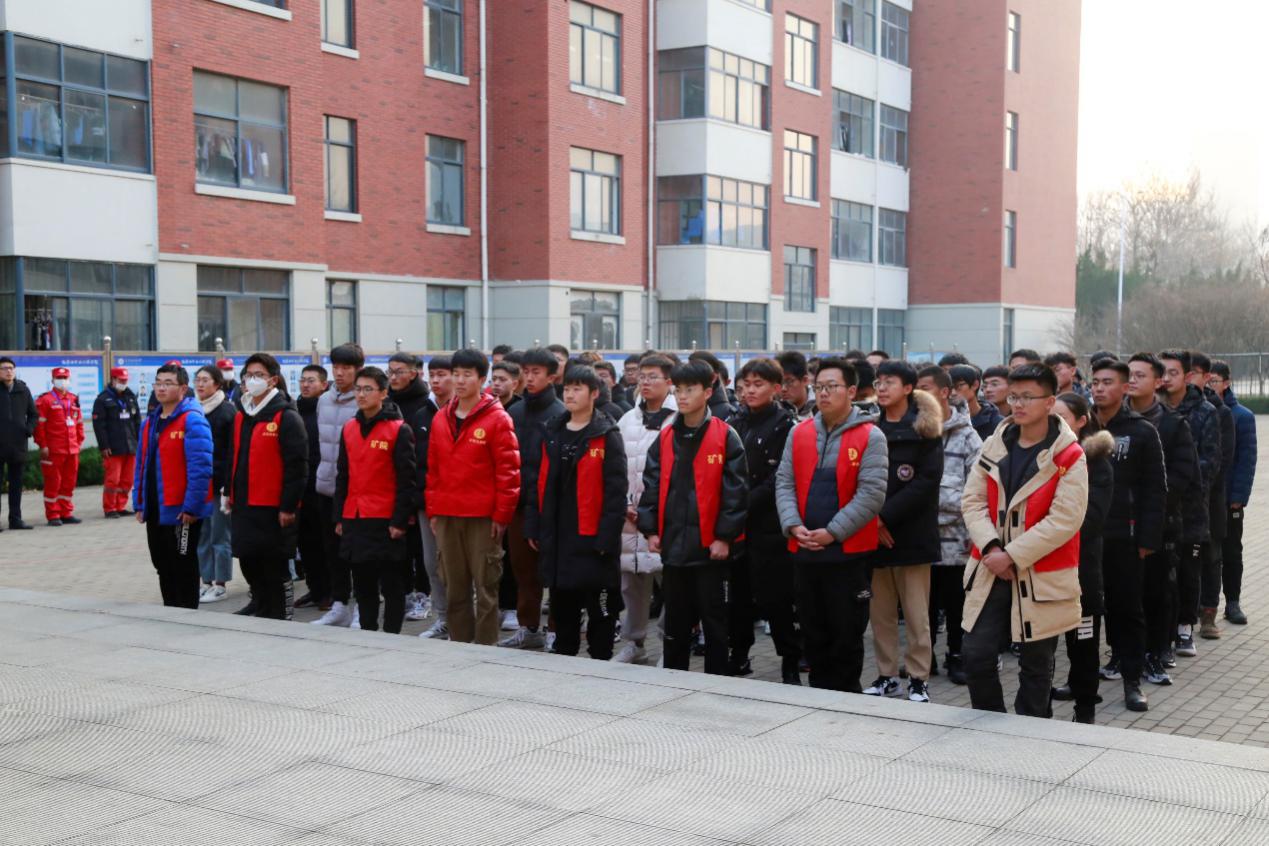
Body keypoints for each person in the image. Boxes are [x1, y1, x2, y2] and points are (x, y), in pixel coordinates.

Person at [960, 363, 1087, 718]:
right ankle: (990, 722)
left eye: (1027, 397)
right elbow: (972, 500)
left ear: (1049, 402)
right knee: (976, 653)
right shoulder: (994, 444)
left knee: (1036, 664)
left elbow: (1065, 519)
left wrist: (1013, 555)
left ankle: (1031, 731)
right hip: (990, 567)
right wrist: (992, 548)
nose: (1018, 404)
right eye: (1014, 396)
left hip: (1041, 573)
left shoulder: (1069, 454)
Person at [776, 357, 888, 692]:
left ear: (851, 391)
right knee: (813, 633)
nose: (823, 393)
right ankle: (818, 697)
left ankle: (847, 700)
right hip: (805, 550)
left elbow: (871, 494)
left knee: (846, 634)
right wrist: (792, 524)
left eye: (831, 386)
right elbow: (784, 482)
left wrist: (832, 532)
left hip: (847, 554)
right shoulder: (799, 432)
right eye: (819, 387)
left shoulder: (871, 436)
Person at [637, 360, 747, 675]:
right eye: (679, 390)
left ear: (708, 392)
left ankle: (716, 681)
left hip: (711, 548)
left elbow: (736, 493)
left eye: (690, 389)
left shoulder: (725, 436)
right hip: (673, 546)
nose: (682, 396)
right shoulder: (666, 436)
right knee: (676, 623)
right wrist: (650, 530)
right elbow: (651, 486)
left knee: (715, 622)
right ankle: (675, 679)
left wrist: (724, 537)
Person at [526, 365, 628, 659]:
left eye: (577, 389)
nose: (569, 395)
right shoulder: (552, 431)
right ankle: (565, 665)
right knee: (564, 612)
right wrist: (534, 526)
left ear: (594, 394)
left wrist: (606, 538)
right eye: (567, 389)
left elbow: (616, 493)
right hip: (559, 537)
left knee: (601, 613)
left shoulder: (606, 434)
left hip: (594, 539)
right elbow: (536, 482)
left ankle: (601, 665)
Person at [427, 348, 521, 645]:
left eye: (467, 375)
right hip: (447, 513)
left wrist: (501, 516)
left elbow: (509, 473)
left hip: (482, 516)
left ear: (482, 379)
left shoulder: (497, 418)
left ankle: (485, 650)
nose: (459, 380)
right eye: (456, 374)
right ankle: (460, 646)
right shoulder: (441, 418)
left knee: (486, 589)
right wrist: (433, 511)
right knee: (454, 588)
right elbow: (433, 470)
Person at [864, 360, 943, 703]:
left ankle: (918, 678)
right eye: (878, 382)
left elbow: (926, 482)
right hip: (873, 535)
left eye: (889, 382)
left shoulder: (926, 429)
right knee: (880, 613)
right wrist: (872, 521)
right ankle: (886, 675)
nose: (881, 388)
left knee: (915, 614)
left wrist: (884, 518)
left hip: (911, 534)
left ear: (908, 388)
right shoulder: (868, 427)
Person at [1090, 359, 1165, 712]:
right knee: (1084, 611)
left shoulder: (1142, 431)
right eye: (1095, 382)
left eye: (1108, 382)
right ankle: (1081, 679)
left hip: (1126, 536)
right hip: (1084, 536)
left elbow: (1155, 490)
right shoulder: (1079, 425)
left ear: (1124, 387)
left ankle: (1132, 681)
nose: (1099, 388)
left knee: (1127, 610)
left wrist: (1148, 539)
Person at [1126, 352, 1197, 685]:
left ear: (1157, 382)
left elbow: (1183, 475)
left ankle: (1156, 653)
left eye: (1140, 375)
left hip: (1160, 522)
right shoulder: (1114, 420)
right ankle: (1123, 655)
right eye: (1129, 374)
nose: (1133, 380)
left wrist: (1151, 505)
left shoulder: (1173, 424)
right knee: (1122, 595)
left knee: (1157, 592)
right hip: (1118, 524)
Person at [335, 366, 417, 634]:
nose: (361, 394)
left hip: (386, 519)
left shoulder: (398, 429)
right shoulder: (349, 428)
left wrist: (399, 521)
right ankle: (368, 631)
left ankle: (392, 635)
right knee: (363, 583)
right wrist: (339, 516)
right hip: (355, 516)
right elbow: (342, 475)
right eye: (358, 389)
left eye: (368, 389)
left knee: (392, 583)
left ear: (383, 393)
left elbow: (407, 481)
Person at [731, 358, 799, 680]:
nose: (750, 391)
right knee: (738, 598)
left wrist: (744, 501)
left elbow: (780, 477)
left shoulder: (786, 425)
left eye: (758, 384)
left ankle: (790, 661)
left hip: (770, 525)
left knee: (777, 599)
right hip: (737, 524)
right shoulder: (735, 421)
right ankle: (739, 655)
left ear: (776, 388)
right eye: (746, 385)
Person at [226, 354, 308, 620]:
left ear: (272, 380)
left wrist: (288, 506)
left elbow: (297, 466)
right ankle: (262, 612)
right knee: (249, 561)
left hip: (273, 508)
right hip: (244, 504)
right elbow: (234, 457)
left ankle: (281, 617)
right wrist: (229, 492)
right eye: (248, 375)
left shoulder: (286, 416)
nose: (252, 380)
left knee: (274, 567)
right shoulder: (242, 414)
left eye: (259, 375)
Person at [1050, 392, 1115, 723]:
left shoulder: (1097, 464)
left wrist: (1047, 533)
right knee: (1043, 644)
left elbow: (1092, 520)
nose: (1054, 423)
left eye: (1061, 417)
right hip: (1044, 569)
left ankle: (1085, 707)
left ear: (1080, 421)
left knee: (1084, 640)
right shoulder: (1041, 457)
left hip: (1081, 568)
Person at [916, 365, 982, 686]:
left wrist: (935, 510)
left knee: (957, 604)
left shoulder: (968, 437)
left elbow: (976, 492)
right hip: (920, 538)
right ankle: (922, 656)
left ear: (945, 392)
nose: (918, 394)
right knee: (922, 604)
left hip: (957, 541)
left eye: (926, 387)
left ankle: (957, 655)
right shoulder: (913, 431)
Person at [613, 353, 677, 664]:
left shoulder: (678, 419)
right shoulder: (627, 419)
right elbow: (617, 467)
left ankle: (670, 645)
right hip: (630, 516)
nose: (646, 382)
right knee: (632, 581)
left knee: (672, 585)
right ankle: (635, 643)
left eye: (653, 376)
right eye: (642, 376)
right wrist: (624, 502)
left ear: (669, 382)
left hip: (665, 517)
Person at [133, 363, 215, 608]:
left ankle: (187, 614)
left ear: (183, 388)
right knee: (162, 564)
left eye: (168, 383)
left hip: (181, 511)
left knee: (183, 565)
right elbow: (141, 465)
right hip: (156, 508)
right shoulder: (150, 423)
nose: (161, 388)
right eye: (158, 383)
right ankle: (170, 612)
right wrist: (139, 502)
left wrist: (192, 507)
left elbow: (201, 468)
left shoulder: (192, 420)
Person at [500, 348, 565, 649]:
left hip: (550, 508)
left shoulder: (560, 414)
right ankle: (529, 628)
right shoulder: (514, 412)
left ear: (552, 376)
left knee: (554, 571)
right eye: (526, 372)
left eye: (536, 372)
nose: (529, 378)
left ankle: (556, 630)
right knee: (522, 571)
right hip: (519, 506)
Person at [1159, 349, 1220, 657]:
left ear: (1187, 376)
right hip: (1157, 507)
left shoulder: (1205, 411)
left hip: (1191, 507)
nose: (1167, 378)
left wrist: (1180, 481)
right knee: (1159, 574)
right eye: (1162, 372)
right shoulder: (1151, 411)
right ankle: (1161, 633)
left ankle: (1185, 628)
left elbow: (1211, 462)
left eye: (1173, 372)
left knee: (1188, 571)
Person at [312, 343, 365, 627]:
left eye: (346, 367)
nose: (340, 373)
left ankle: (361, 608)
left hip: (356, 491)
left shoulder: (365, 401)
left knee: (357, 553)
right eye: (336, 367)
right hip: (326, 486)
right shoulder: (324, 400)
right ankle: (340, 604)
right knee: (332, 551)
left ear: (358, 370)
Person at [388, 353, 436, 623]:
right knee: (399, 545)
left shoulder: (424, 405)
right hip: (392, 485)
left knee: (420, 548)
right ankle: (404, 592)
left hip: (418, 486)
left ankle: (423, 594)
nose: (393, 377)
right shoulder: (387, 401)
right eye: (391, 372)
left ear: (414, 374)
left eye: (399, 372)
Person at [1190, 353, 1235, 634]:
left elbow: (1222, 460)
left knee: (1211, 558)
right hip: (1181, 501)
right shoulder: (1170, 409)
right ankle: (1185, 615)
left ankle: (1208, 614)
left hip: (1210, 498)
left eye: (1192, 373)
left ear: (1206, 377)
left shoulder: (1220, 412)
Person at [1210, 360, 1256, 625]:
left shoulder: (1242, 416)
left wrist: (1238, 498)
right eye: (1207, 380)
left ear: (1226, 383)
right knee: (1206, 553)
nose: (1210, 385)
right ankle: (1205, 605)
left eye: (1214, 381)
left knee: (1231, 552)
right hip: (1204, 498)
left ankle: (1233, 602)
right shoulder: (1200, 412)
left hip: (1229, 499)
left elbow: (1247, 461)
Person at [192, 365, 236, 603]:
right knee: (203, 535)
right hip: (201, 484)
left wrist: (227, 486)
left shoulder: (227, 411)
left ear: (217, 384)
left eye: (205, 380)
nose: (200, 384)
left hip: (219, 485)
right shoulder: (194, 409)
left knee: (220, 535)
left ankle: (220, 584)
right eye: (197, 380)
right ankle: (206, 581)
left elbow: (232, 452)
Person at [34, 367, 86, 526]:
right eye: (59, 378)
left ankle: (66, 512)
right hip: (53, 450)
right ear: (53, 380)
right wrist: (43, 445)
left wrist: (79, 442)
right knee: (53, 483)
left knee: (69, 482)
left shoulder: (73, 399)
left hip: (72, 449)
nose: (62, 381)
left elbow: (79, 424)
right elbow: (39, 426)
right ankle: (53, 514)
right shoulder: (45, 400)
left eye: (65, 378)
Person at [92, 367, 141, 518]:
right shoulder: (102, 399)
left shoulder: (130, 397)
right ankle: (110, 508)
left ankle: (120, 506)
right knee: (113, 480)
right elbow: (99, 426)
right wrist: (104, 445)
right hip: (113, 447)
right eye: (121, 380)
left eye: (125, 380)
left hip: (131, 446)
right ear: (113, 380)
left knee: (127, 479)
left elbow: (137, 421)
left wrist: (140, 442)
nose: (123, 383)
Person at [0, 357, 38, 530]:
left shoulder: (23, 389)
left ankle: (15, 519)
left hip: (17, 444)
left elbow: (33, 414)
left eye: (11, 368)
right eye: (4, 368)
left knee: (16, 484)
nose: (8, 371)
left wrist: (27, 430)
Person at [949, 364, 1003, 441]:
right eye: (950, 387)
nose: (953, 393)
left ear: (975, 385)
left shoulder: (997, 423)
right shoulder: (944, 420)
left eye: (959, 385)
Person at [689, 351, 738, 422]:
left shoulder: (727, 414)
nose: (690, 378)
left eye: (695, 373)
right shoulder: (685, 407)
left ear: (713, 378)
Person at [776, 351, 815, 420]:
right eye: (779, 382)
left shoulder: (820, 407)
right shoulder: (772, 408)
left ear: (805, 380)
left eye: (789, 382)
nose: (783, 389)